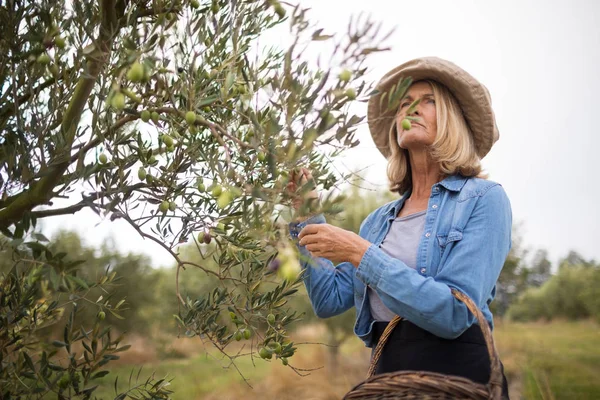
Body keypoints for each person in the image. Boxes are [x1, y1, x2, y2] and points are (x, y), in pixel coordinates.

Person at [286, 57, 511, 398]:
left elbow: (454, 313)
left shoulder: (483, 199)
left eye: (428, 101)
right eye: (405, 103)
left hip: (459, 378)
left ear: (452, 119)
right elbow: (329, 300)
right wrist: (307, 219)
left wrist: (361, 254)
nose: (411, 109)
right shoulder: (377, 222)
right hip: (388, 377)